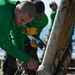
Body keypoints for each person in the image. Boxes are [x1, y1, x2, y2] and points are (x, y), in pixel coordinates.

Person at [7, 0, 48, 75]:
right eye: (36, 16)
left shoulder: (45, 21)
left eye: (40, 16)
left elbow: (37, 33)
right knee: (11, 64)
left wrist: (34, 40)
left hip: (30, 42)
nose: (38, 18)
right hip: (15, 39)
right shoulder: (23, 13)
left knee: (32, 65)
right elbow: (6, 38)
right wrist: (24, 29)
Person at [0, 0, 39, 75]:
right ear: (17, 9)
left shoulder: (18, 16)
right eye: (22, 20)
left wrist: (21, 58)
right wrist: (27, 59)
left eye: (26, 22)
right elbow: (2, 41)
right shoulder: (4, 12)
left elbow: (17, 36)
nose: (22, 24)